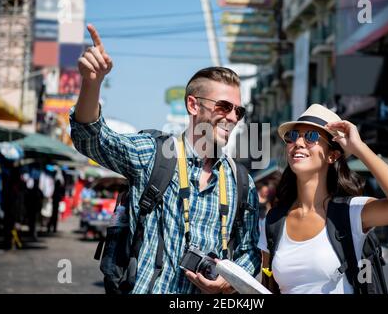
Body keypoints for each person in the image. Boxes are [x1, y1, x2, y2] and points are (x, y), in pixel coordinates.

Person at [69, 24, 261, 294]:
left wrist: (228, 282)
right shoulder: (155, 155)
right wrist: (92, 83)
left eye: (238, 111)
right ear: (193, 105)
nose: (231, 117)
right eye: (223, 106)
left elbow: (249, 251)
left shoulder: (242, 182)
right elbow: (91, 139)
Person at [258, 104, 388, 294]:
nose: (298, 143)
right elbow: (265, 287)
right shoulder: (273, 221)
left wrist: (359, 148)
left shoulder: (351, 212)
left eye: (311, 136)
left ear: (332, 155)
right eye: (292, 136)